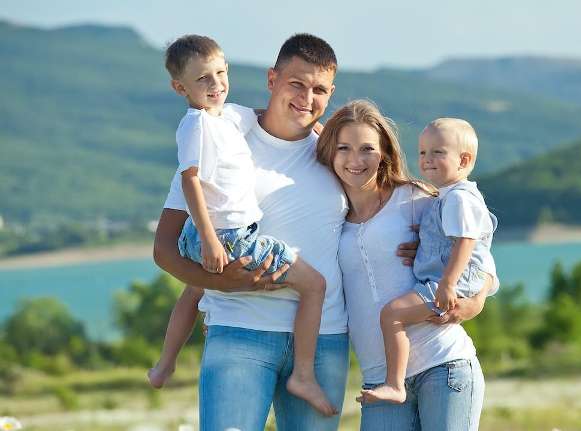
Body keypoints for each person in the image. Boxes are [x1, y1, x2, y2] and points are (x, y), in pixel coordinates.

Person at [153, 34, 384, 430]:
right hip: (240, 332)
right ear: (272, 78)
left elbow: (385, 209)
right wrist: (221, 282)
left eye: (319, 90)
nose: (306, 98)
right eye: (296, 83)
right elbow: (165, 249)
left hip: (324, 337)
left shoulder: (337, 151)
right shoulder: (220, 131)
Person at [316, 99, 495, 431]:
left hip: (442, 365)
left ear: (383, 152)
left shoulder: (414, 200)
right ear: (329, 152)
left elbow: (476, 245)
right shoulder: (327, 214)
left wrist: (476, 299)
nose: (355, 160)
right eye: (343, 148)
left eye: (367, 148)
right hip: (380, 381)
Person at [357, 117, 499, 406]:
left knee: (391, 315)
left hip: (448, 284)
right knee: (394, 315)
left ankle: (395, 385)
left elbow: (466, 242)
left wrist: (447, 283)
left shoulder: (459, 198)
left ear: (464, 160)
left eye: (438, 152)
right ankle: (397, 383)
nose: (427, 159)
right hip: (443, 280)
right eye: (423, 152)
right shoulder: (446, 197)